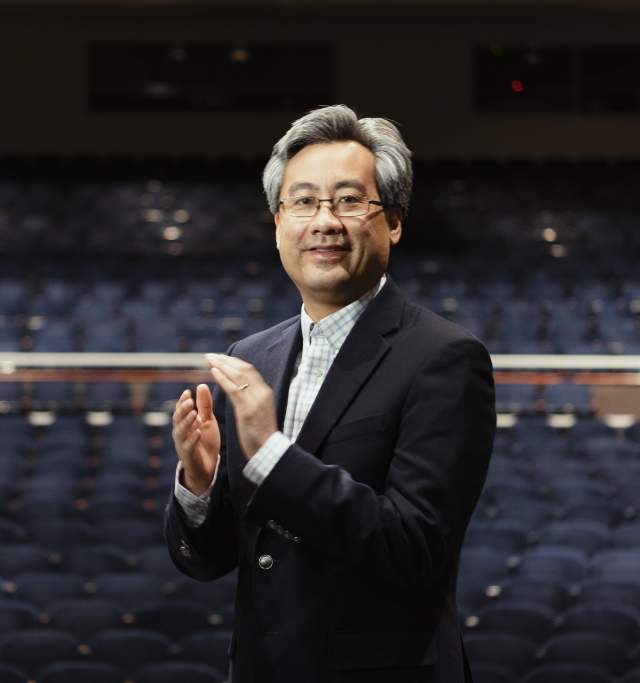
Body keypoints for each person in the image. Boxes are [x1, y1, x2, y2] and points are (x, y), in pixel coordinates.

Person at [165, 104, 495, 683]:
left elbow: (416, 549)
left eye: (348, 200)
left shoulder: (445, 359)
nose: (325, 221)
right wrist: (199, 483)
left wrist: (270, 455)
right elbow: (216, 560)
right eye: (303, 202)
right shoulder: (252, 356)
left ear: (392, 220)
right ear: (277, 222)